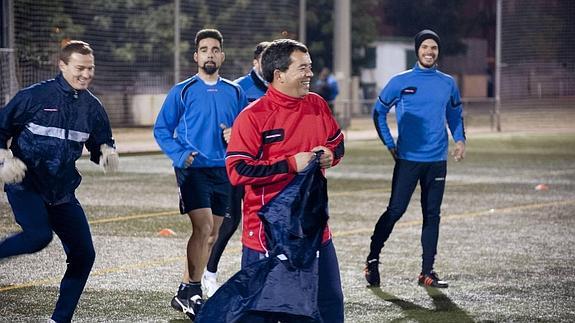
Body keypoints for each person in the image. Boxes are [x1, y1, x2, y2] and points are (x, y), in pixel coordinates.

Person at [225, 39, 345, 322]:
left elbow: (338, 143)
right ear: (279, 75)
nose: (310, 74)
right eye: (303, 68)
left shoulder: (317, 105)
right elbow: (238, 170)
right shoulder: (253, 117)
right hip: (268, 235)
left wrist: (330, 155)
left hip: (314, 230)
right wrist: (290, 164)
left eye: (310, 67)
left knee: (329, 304)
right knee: (264, 312)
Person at [0, 40, 119, 323]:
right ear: (62, 65)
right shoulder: (34, 97)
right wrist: (3, 157)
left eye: (90, 68)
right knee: (39, 236)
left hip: (63, 190)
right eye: (80, 68)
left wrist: (106, 153)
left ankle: (59, 320)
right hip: (26, 184)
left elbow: (101, 142)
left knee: (84, 255)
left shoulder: (93, 107)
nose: (86, 74)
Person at [153, 28, 247, 320]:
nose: (210, 54)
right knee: (204, 227)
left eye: (215, 49)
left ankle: (184, 291)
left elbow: (247, 127)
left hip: (223, 169)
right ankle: (194, 290)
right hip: (192, 169)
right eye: (204, 49)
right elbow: (161, 129)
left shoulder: (235, 91)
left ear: (222, 55)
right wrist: (182, 155)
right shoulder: (182, 90)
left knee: (213, 234)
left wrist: (237, 135)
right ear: (196, 56)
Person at [364, 29, 466, 288]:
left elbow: (455, 115)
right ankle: (373, 259)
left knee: (432, 215)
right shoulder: (401, 81)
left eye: (433, 48)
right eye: (424, 47)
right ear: (417, 50)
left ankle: (427, 272)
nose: (429, 52)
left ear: (437, 51)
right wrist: (389, 144)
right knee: (396, 210)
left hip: (436, 160)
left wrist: (460, 140)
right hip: (408, 159)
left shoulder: (447, 83)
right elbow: (378, 113)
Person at [203, 41, 270, 296]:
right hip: (237, 164)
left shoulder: (278, 88)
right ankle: (208, 273)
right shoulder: (238, 88)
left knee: (267, 219)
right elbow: (221, 122)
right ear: (255, 62)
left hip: (265, 167)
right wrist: (229, 132)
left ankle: (265, 274)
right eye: (265, 59)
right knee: (229, 222)